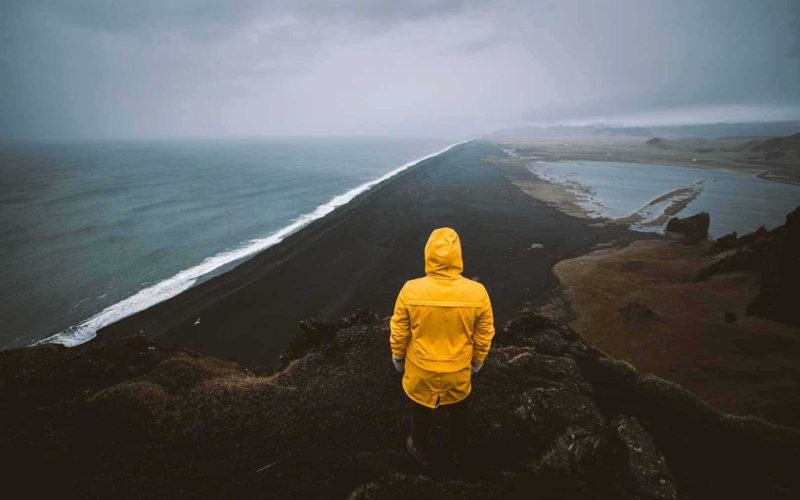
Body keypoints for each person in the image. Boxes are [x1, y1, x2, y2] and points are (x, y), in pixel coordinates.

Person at [389, 227, 495, 466]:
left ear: (428, 254)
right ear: (458, 255)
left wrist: (398, 357)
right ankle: (459, 451)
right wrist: (477, 362)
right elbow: (484, 334)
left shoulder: (410, 289)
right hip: (458, 371)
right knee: (459, 412)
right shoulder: (477, 292)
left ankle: (420, 447)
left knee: (420, 412)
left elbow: (399, 329)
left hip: (420, 371)